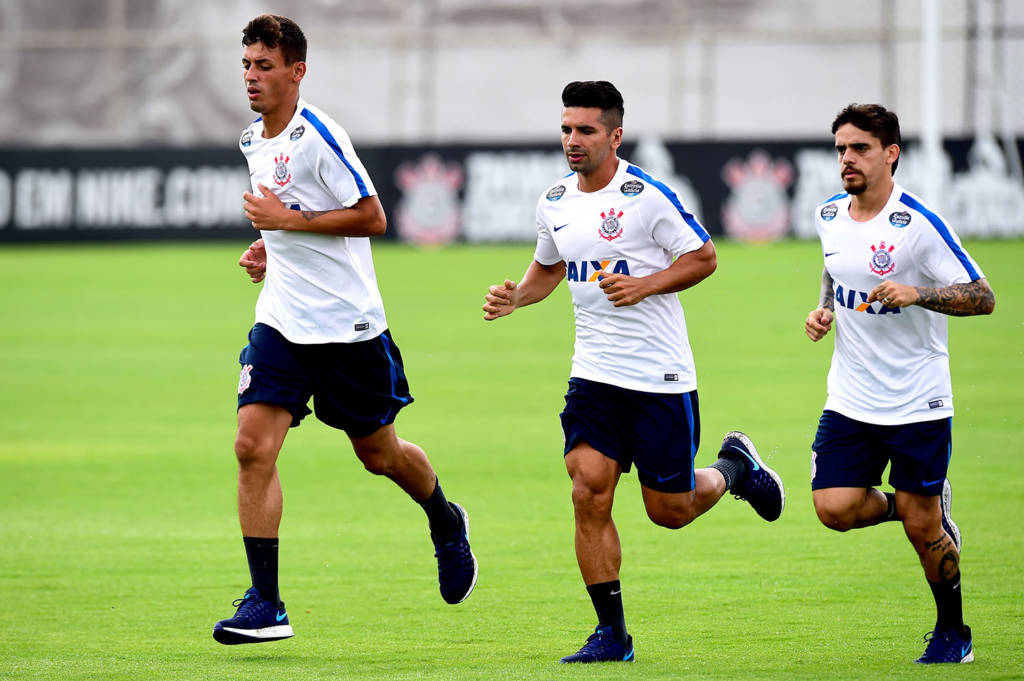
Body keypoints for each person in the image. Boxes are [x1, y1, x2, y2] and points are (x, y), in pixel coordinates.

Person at [482, 80, 785, 664]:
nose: (573, 140)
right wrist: (516, 297)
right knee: (587, 490)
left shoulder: (646, 196)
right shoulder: (554, 201)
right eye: (566, 129)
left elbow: (703, 256)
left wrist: (645, 285)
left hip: (659, 378)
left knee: (669, 511)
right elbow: (549, 268)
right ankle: (611, 635)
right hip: (593, 376)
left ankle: (735, 468)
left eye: (586, 130)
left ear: (615, 135)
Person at [212, 14, 477, 646]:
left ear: (296, 71)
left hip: (347, 327)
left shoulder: (319, 136)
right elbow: (289, 219)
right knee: (251, 446)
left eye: (264, 65)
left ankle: (445, 520)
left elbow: (372, 216)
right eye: (246, 64)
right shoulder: (252, 140)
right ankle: (267, 603)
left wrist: (286, 221)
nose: (251, 76)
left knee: (378, 454)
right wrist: (270, 245)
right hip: (281, 321)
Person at [804, 103, 995, 664]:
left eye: (859, 148)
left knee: (922, 526)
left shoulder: (919, 224)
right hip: (851, 397)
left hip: (917, 400)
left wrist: (920, 293)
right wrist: (823, 309)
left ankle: (953, 633)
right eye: (841, 148)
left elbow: (983, 296)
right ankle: (913, 507)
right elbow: (835, 267)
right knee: (833, 508)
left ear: (890, 153)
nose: (847, 158)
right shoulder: (828, 214)